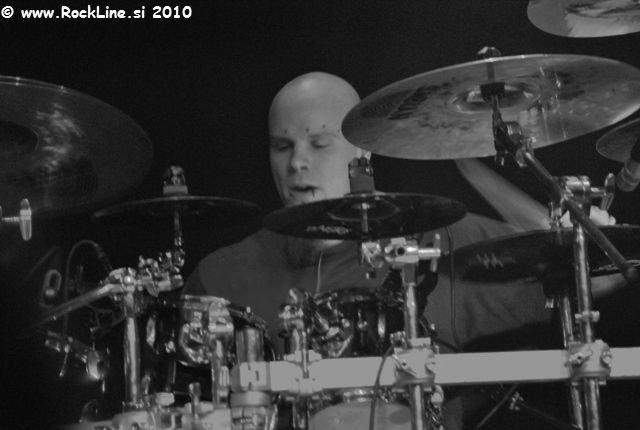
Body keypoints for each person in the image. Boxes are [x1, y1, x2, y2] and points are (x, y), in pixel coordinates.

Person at [182, 71, 622, 428]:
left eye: (319, 144)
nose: (297, 163)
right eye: (282, 146)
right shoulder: (221, 275)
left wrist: (591, 242)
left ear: (361, 152)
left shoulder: (439, 240)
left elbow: (596, 277)